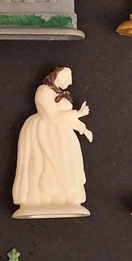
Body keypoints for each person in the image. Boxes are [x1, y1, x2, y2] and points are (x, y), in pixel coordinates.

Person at [12, 67, 92, 211]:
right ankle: (42, 198)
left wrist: (83, 129)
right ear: (58, 76)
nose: (70, 82)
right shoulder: (44, 91)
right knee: (47, 162)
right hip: (46, 132)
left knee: (66, 163)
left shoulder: (60, 93)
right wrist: (78, 113)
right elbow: (52, 117)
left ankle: (66, 197)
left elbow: (65, 119)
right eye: (67, 78)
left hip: (62, 133)